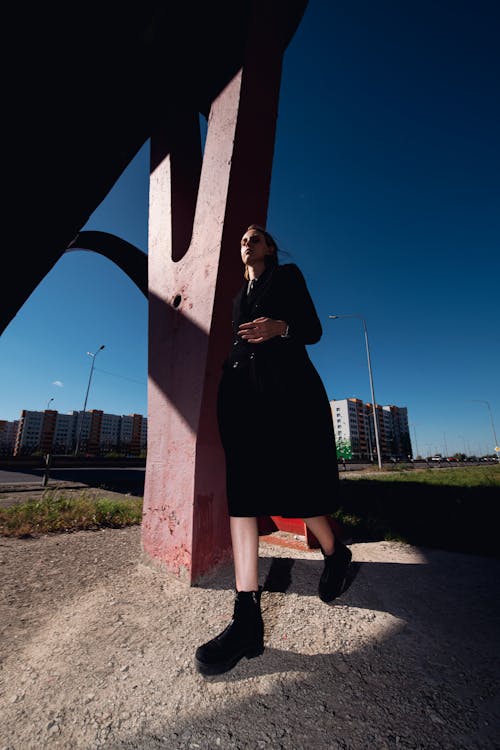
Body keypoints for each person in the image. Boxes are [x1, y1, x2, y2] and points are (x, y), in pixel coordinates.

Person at [194, 224, 352, 676]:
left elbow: (314, 330)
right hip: (242, 395)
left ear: (270, 248)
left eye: (257, 237)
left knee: (297, 488)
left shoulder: (288, 278)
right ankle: (246, 618)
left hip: (286, 390)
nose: (249, 242)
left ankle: (334, 551)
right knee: (242, 491)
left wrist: (281, 326)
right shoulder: (235, 300)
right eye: (244, 239)